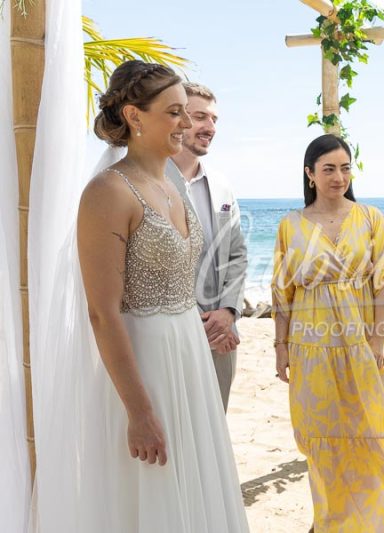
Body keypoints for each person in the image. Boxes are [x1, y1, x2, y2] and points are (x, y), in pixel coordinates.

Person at [76, 60, 249, 532]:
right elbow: (102, 313)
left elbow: (183, 281)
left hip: (189, 358)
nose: (187, 124)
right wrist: (139, 411)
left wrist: (221, 316)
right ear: (135, 116)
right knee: (151, 493)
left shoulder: (170, 190)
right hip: (144, 364)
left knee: (197, 487)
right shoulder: (108, 192)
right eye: (175, 113)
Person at [271, 134, 384, 531]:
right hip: (311, 346)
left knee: (371, 433)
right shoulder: (290, 225)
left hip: (360, 343)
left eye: (345, 167)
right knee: (323, 441)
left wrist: (376, 338)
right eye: (328, 169)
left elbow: (383, 281)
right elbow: (282, 293)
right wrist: (280, 348)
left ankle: (382, 521)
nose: (339, 177)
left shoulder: (371, 218)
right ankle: (332, 521)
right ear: (310, 174)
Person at [166, 82, 248, 412]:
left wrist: (228, 313)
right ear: (176, 118)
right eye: (200, 116)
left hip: (222, 338)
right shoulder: (149, 180)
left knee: (214, 430)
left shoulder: (223, 186)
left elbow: (237, 255)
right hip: (170, 336)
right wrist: (198, 323)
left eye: (214, 119)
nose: (210, 128)